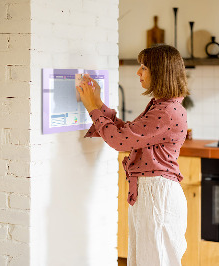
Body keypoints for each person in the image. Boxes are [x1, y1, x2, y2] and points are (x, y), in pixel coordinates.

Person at [77, 44, 189, 266]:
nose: (138, 72)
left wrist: (92, 108)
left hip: (157, 195)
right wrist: (98, 103)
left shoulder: (166, 111)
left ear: (160, 72)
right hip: (152, 193)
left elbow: (120, 141)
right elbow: (128, 133)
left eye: (144, 67)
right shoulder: (162, 106)